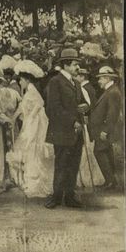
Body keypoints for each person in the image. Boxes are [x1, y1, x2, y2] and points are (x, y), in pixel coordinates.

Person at [6, 60, 55, 198]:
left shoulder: (32, 90)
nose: (20, 82)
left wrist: (30, 118)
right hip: (31, 121)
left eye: (21, 80)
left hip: (36, 124)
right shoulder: (29, 90)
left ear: (27, 79)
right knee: (29, 151)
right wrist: (15, 118)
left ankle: (36, 183)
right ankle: (30, 180)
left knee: (33, 150)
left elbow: (40, 104)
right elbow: (22, 107)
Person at [44, 47, 86, 209]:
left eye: (78, 64)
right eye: (75, 64)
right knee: (62, 164)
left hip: (76, 132)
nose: (78, 68)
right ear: (66, 65)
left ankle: (69, 197)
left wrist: (85, 107)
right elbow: (53, 108)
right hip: (62, 132)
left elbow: (81, 102)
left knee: (73, 165)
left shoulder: (76, 83)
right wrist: (72, 122)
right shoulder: (55, 82)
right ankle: (56, 197)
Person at [89, 66, 123, 190]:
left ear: (107, 78)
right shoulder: (110, 91)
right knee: (106, 152)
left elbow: (112, 114)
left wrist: (105, 130)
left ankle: (110, 181)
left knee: (99, 152)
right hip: (103, 129)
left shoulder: (113, 92)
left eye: (101, 79)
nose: (99, 81)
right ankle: (111, 181)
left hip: (104, 130)